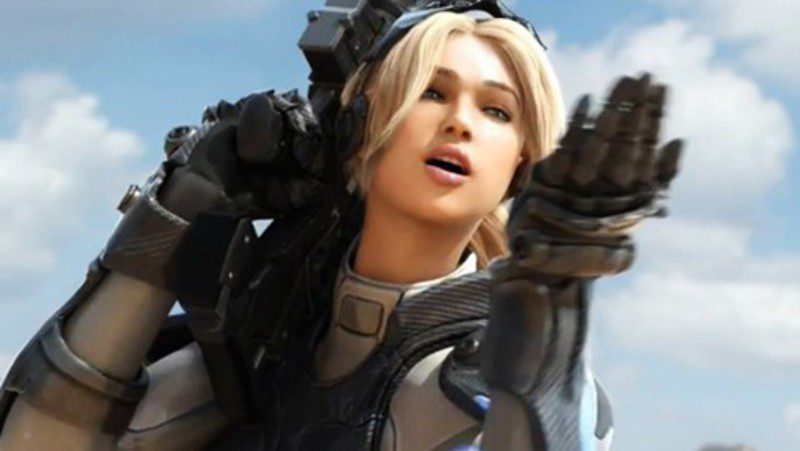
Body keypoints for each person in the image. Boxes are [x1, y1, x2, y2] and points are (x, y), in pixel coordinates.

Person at [0, 2, 681, 450]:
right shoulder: (257, 348)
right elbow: (39, 437)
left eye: (497, 111)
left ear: (519, 169)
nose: (460, 122)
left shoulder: (479, 389)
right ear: (360, 130)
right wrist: (173, 214)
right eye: (431, 91)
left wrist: (553, 305)